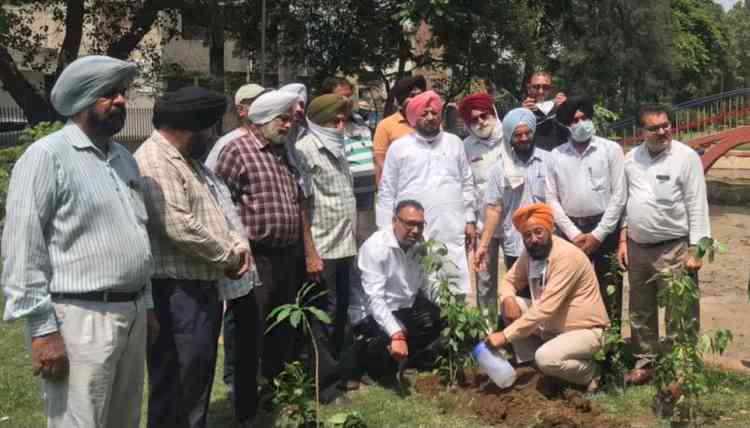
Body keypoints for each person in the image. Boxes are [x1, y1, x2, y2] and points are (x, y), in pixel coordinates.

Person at [1, 55, 155, 428]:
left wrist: (146, 305)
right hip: (81, 319)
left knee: (124, 419)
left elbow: (137, 233)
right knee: (80, 421)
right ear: (82, 99)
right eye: (108, 94)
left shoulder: (124, 159)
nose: (121, 101)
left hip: (131, 313)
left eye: (122, 93)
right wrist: (42, 331)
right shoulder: (46, 157)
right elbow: (23, 250)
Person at [136, 86, 252, 428]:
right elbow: (178, 224)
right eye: (213, 128)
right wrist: (229, 255)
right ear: (193, 127)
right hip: (176, 293)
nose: (215, 136)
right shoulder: (154, 160)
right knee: (178, 380)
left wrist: (236, 243)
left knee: (197, 375)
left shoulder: (189, 163)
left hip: (198, 288)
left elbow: (217, 209)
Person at [215, 89, 306, 422]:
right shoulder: (236, 151)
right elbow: (219, 204)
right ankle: (246, 409)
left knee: (282, 332)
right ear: (263, 120)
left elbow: (297, 201)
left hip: (286, 256)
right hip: (256, 258)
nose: (287, 125)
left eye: (288, 119)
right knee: (250, 334)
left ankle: (277, 396)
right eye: (282, 119)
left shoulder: (284, 153)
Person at [618, 104, 710, 385]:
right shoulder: (631, 159)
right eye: (655, 127)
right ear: (641, 131)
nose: (663, 131)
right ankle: (646, 364)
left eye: (666, 125)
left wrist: (698, 249)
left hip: (675, 247)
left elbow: (697, 205)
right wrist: (623, 237)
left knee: (679, 311)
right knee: (640, 309)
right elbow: (624, 202)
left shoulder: (686, 157)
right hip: (637, 246)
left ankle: (680, 368)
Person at [485, 203, 610, 392]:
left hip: (585, 331)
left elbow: (545, 308)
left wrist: (505, 336)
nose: (534, 239)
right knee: (512, 304)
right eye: (527, 235)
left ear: (550, 229)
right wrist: (508, 298)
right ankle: (530, 365)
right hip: (553, 326)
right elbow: (508, 281)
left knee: (546, 358)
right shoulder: (531, 254)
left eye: (538, 232)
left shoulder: (567, 256)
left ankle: (594, 373)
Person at [376, 90, 477, 297]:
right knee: (416, 291)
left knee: (453, 287)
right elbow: (386, 190)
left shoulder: (454, 143)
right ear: (413, 118)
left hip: (451, 227)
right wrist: (386, 230)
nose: (430, 117)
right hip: (412, 231)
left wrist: (470, 219)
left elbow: (467, 183)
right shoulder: (399, 147)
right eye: (424, 113)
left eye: (434, 112)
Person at [294, 93, 358, 402]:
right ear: (321, 122)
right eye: (336, 119)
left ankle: (341, 373)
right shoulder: (306, 150)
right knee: (322, 317)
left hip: (344, 245)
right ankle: (325, 386)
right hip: (323, 249)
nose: (341, 124)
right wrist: (310, 252)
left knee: (341, 311)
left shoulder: (337, 146)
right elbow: (303, 204)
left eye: (343, 118)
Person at [545, 95, 626, 319]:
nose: (581, 124)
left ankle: (610, 344)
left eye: (585, 118)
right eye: (575, 120)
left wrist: (598, 234)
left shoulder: (611, 150)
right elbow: (551, 198)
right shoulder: (556, 156)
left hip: (605, 230)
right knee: (568, 288)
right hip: (569, 231)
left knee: (610, 288)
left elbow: (619, 195)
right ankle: (575, 337)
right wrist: (574, 234)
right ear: (566, 125)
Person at [351, 200, 443, 382]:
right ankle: (369, 362)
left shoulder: (421, 246)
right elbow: (374, 299)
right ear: (394, 221)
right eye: (409, 224)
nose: (415, 231)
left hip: (403, 306)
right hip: (370, 312)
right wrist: (396, 333)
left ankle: (411, 359)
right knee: (387, 351)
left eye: (419, 225)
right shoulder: (377, 247)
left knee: (436, 317)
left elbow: (428, 284)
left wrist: (448, 307)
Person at [474, 108, 549, 307]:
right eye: (518, 135)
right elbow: (494, 208)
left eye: (528, 133)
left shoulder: (550, 161)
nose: (524, 138)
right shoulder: (499, 169)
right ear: (509, 137)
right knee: (521, 298)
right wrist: (483, 245)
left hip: (547, 243)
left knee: (548, 296)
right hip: (516, 244)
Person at [459, 92, 505, 316]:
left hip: (512, 223)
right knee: (485, 282)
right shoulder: (466, 146)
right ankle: (487, 333)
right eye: (473, 120)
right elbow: (466, 185)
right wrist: (470, 220)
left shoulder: (510, 138)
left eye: (483, 116)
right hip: (482, 224)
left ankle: (514, 334)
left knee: (518, 279)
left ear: (493, 113)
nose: (480, 122)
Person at [373, 75, 426, 185]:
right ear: (401, 99)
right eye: (412, 96)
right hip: (400, 189)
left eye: (420, 95)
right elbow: (380, 163)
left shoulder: (432, 123)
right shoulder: (385, 125)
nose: (417, 100)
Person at [205, 83, 267, 171]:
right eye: (259, 102)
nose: (266, 106)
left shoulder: (275, 140)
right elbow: (211, 177)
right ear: (241, 110)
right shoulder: (226, 143)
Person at [521, 71, 568, 151]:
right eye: (536, 87)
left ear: (551, 89)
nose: (541, 91)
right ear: (529, 88)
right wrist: (521, 114)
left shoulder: (560, 107)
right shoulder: (520, 111)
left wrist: (568, 108)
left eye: (546, 87)